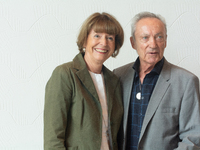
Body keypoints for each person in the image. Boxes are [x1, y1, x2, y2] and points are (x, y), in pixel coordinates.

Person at [114, 11, 200, 150]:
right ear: (133, 42)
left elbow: (193, 139)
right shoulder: (118, 76)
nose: (153, 44)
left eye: (159, 37)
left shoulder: (186, 82)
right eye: (145, 37)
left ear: (165, 41)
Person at [44, 12, 124, 150]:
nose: (104, 43)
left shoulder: (114, 81)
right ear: (85, 39)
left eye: (110, 38)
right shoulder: (65, 74)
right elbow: (53, 139)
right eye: (97, 35)